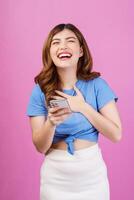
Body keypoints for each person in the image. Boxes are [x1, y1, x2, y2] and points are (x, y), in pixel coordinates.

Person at [26, 23, 122, 200]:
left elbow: (116, 134)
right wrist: (51, 123)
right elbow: (40, 147)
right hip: (55, 179)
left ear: (81, 51)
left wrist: (83, 107)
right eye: (56, 42)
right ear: (49, 52)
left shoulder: (97, 85)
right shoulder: (40, 90)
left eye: (70, 41)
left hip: (92, 178)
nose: (63, 46)